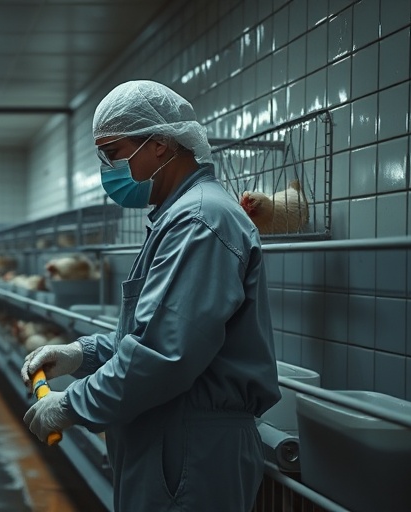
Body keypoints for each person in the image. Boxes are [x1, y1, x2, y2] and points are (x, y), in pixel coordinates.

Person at [21, 80, 280, 511]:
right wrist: (79, 354)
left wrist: (72, 403)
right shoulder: (175, 217)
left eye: (114, 152)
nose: (108, 168)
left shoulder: (198, 221)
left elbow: (162, 355)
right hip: (171, 438)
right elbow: (149, 331)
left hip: (189, 448)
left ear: (159, 143)